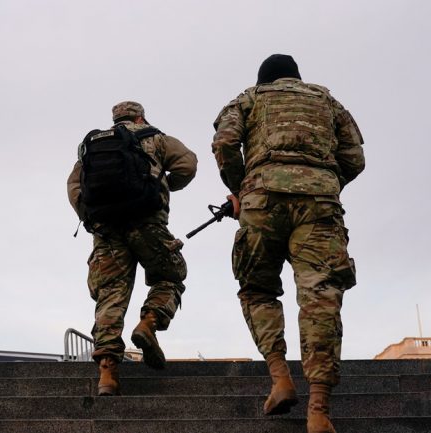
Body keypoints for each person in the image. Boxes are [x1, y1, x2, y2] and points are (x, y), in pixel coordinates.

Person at [211, 54, 365, 433]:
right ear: (296, 77)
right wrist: (321, 181)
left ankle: (280, 378)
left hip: (261, 199)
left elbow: (225, 142)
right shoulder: (328, 102)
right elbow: (355, 158)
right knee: (320, 296)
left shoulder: (248, 98)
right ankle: (318, 410)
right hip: (319, 204)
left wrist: (239, 189)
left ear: (264, 80)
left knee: (256, 288)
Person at [67, 101, 197, 396]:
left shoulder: (91, 146)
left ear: (115, 120)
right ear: (140, 116)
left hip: (107, 232)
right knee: (171, 276)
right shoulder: (157, 138)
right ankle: (149, 322)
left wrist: (89, 216)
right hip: (148, 224)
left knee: (111, 297)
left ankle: (107, 375)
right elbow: (188, 165)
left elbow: (75, 186)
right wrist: (163, 184)